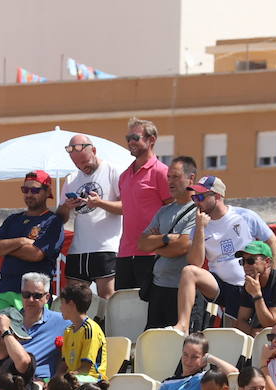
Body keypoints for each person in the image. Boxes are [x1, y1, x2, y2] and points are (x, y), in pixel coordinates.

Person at [177, 175, 276, 332]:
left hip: (246, 285)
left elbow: (272, 241)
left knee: (236, 333)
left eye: (201, 196)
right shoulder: (198, 224)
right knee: (189, 271)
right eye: (194, 197)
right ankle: (182, 325)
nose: (196, 201)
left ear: (217, 196)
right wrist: (201, 228)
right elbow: (195, 262)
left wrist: (270, 278)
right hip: (219, 286)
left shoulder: (245, 216)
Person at [139, 155, 200, 330]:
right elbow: (142, 243)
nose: (170, 181)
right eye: (168, 177)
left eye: (176, 177)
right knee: (154, 343)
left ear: (191, 178)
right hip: (158, 289)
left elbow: (183, 246)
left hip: (181, 292)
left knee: (179, 346)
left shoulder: (197, 210)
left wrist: (156, 245)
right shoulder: (163, 211)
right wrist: (166, 239)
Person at [58, 133, 122, 300]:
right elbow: (60, 217)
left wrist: (100, 203)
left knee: (108, 298)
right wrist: (67, 206)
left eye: (85, 162)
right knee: (74, 300)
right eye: (77, 163)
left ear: (93, 150)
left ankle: (107, 327)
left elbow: (127, 207)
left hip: (106, 247)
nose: (82, 167)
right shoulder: (72, 178)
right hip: (78, 248)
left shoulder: (112, 171)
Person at [116, 118, 173, 298]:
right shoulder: (124, 176)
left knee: (150, 308)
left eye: (135, 137)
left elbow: (173, 210)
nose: (131, 142)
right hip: (125, 253)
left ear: (152, 140)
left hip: (152, 253)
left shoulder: (162, 172)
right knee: (125, 310)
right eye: (128, 138)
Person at [0, 170, 65, 298]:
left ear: (47, 192)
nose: (29, 194)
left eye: (35, 190)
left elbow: (35, 254)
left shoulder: (53, 221)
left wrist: (5, 248)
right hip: (3, 291)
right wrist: (21, 241)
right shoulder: (12, 219)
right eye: (25, 189)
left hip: (34, 296)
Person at [144, 332, 236, 390]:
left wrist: (210, 358)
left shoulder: (205, 380)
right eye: (185, 355)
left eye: (194, 357)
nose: (188, 361)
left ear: (203, 358)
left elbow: (233, 373)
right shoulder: (167, 383)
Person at [58, 284, 107, 382]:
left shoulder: (90, 329)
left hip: (92, 379)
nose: (60, 308)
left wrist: (64, 379)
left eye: (62, 303)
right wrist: (55, 379)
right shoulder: (68, 330)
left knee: (63, 385)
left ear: (71, 304)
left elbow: (86, 368)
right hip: (73, 378)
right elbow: (64, 364)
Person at [240, 241, 276, 333]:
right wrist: (252, 332)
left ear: (267, 262)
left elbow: (271, 323)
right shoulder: (250, 283)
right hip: (264, 335)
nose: (245, 266)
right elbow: (241, 321)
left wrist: (257, 295)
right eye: (243, 261)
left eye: (251, 261)